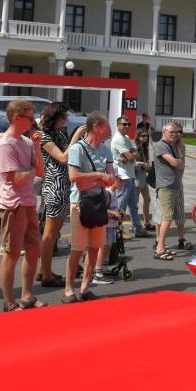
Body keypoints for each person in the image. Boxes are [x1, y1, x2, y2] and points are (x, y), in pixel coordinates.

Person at [0, 99, 45, 311]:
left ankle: (27, 296)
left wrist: (36, 146)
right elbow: (18, 178)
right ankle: (9, 302)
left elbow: (40, 171)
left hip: (28, 202)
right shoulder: (6, 143)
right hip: (13, 204)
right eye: (30, 117)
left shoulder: (25, 142)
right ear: (17, 117)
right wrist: (32, 170)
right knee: (12, 253)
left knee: (34, 250)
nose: (33, 121)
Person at [63, 111, 118, 303]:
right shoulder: (78, 149)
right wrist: (100, 177)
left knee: (95, 247)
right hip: (80, 204)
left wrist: (94, 181)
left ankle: (85, 287)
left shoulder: (106, 149)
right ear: (96, 127)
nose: (110, 131)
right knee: (77, 249)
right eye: (107, 127)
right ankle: (69, 289)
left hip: (99, 202)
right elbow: (74, 177)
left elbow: (111, 179)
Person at [36, 103, 82, 288]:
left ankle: (42, 269)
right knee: (50, 234)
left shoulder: (60, 133)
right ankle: (46, 275)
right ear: (55, 118)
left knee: (54, 233)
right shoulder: (45, 137)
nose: (67, 120)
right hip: (55, 185)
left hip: (64, 185)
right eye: (64, 117)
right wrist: (76, 136)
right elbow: (62, 157)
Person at [152, 123, 187, 261]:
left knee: (172, 216)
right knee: (167, 217)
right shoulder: (161, 145)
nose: (175, 134)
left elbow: (180, 163)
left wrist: (179, 162)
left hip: (175, 185)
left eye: (177, 132)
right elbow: (175, 163)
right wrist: (179, 162)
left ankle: (163, 246)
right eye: (172, 132)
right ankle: (159, 249)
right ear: (164, 132)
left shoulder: (172, 145)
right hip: (166, 186)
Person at [111, 114, 149, 238]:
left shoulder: (126, 137)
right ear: (118, 125)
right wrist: (131, 156)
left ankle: (138, 229)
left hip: (130, 175)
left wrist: (131, 155)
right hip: (123, 177)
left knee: (133, 205)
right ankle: (116, 230)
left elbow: (135, 154)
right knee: (120, 205)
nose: (127, 126)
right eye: (124, 124)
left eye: (128, 124)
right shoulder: (119, 139)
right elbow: (132, 158)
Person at [134, 130, 154, 231]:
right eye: (143, 136)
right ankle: (135, 224)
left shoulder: (144, 148)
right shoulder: (135, 147)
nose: (145, 137)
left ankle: (146, 222)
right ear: (138, 137)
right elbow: (131, 163)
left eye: (146, 136)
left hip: (143, 177)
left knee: (148, 199)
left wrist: (147, 166)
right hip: (136, 178)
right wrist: (142, 164)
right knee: (135, 202)